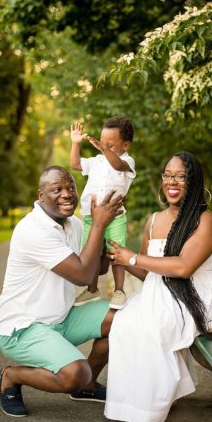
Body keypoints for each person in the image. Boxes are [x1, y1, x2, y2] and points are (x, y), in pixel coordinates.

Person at [103, 151, 212, 422]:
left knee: (152, 326)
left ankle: (151, 408)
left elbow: (184, 267)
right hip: (161, 290)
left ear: (194, 181)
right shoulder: (153, 220)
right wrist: (118, 257)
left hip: (199, 295)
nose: (172, 181)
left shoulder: (206, 220)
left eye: (181, 176)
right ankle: (130, 403)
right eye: (168, 175)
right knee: (124, 323)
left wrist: (133, 258)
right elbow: (149, 272)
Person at [0, 166, 123, 417]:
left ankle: (86, 387)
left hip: (61, 319)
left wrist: (108, 230)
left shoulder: (73, 224)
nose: (67, 194)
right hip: (22, 329)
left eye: (71, 187)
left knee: (122, 319)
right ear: (40, 195)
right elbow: (83, 275)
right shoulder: (33, 230)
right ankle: (11, 376)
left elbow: (98, 268)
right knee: (75, 371)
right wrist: (98, 225)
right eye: (57, 189)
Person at [70, 117, 136, 310]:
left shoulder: (127, 161)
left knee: (116, 253)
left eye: (110, 145)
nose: (103, 148)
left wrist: (104, 149)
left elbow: (117, 166)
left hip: (115, 217)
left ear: (126, 145)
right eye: (102, 142)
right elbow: (75, 165)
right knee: (93, 254)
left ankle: (119, 290)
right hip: (92, 217)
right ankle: (92, 289)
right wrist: (75, 143)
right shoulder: (96, 161)